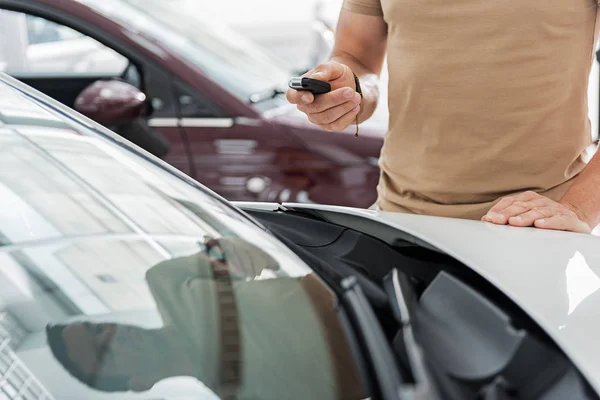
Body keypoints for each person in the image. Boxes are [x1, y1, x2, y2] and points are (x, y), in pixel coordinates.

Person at [287, 0, 600, 234]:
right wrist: (347, 92)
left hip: (531, 228)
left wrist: (577, 208)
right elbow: (356, 56)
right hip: (399, 216)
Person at [46, 236, 365, 399]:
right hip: (400, 354)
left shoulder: (165, 282)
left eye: (96, 328)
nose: (110, 334)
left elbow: (252, 248)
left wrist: (226, 249)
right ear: (140, 384)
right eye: (104, 352)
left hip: (366, 277)